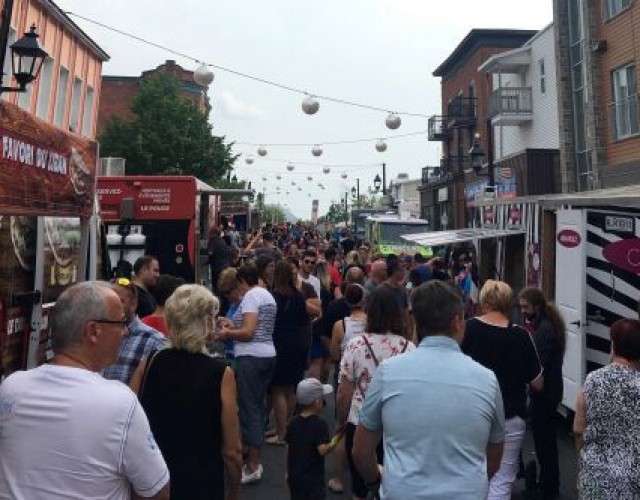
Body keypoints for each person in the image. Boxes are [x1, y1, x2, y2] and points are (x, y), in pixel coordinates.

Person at [0, 282, 170, 499]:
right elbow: (158, 492)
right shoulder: (120, 404)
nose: (126, 332)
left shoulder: (11, 388)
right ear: (93, 331)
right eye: (121, 323)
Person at [352, 281, 505, 499]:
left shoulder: (389, 372)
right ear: (457, 322)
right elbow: (495, 453)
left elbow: (361, 450)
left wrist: (375, 481)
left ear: (415, 321)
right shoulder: (487, 379)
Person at [130, 284, 242, 500]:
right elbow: (232, 450)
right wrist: (234, 491)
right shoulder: (221, 374)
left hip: (154, 478)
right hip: (200, 481)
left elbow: (128, 418)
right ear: (205, 323)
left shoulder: (150, 361)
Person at [462, 280, 543, 500]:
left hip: (470, 413)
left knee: (469, 473)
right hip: (510, 413)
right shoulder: (521, 335)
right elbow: (537, 382)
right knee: (502, 479)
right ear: (509, 303)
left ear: (483, 300)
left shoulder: (466, 329)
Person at [336, 286, 415, 500]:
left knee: (360, 488)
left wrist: (341, 420)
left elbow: (344, 392)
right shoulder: (408, 347)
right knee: (392, 484)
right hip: (395, 425)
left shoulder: (355, 345)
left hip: (359, 421)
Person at [216, 264, 277, 484]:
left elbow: (249, 332)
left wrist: (227, 334)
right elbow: (258, 328)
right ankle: (253, 458)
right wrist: (233, 325)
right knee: (257, 407)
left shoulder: (251, 296)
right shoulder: (266, 295)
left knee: (249, 408)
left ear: (242, 281)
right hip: (267, 354)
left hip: (251, 357)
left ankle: (252, 464)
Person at [573, 318, 640, 499]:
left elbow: (579, 430)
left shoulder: (592, 379)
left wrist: (585, 461)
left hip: (594, 477)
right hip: (632, 482)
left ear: (614, 345)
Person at [518, 287, 567, 498]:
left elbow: (537, 364)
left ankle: (548, 488)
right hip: (551, 391)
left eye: (525, 307)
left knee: (544, 442)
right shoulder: (546, 326)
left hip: (546, 393)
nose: (523, 311)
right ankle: (548, 485)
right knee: (545, 441)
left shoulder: (545, 330)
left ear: (536, 306)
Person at [268, 261, 312, 445]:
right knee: (291, 388)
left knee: (278, 389)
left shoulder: (273, 297)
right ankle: (286, 426)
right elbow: (305, 322)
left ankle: (281, 432)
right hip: (296, 343)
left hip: (278, 343)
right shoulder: (299, 297)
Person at [102, 277, 166, 384]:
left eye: (120, 301)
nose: (111, 306)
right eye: (108, 301)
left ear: (134, 304)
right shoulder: (100, 336)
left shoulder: (154, 340)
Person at [285, 378, 339, 500]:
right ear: (317, 401)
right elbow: (322, 450)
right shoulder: (319, 424)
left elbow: (287, 447)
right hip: (313, 479)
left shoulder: (293, 423)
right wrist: (335, 441)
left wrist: (287, 471)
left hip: (295, 476)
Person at [208, 227, 231, 295]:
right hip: (225, 266)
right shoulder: (222, 240)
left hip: (217, 267)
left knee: (216, 286)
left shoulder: (213, 241)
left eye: (210, 233)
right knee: (222, 285)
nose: (208, 235)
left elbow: (210, 253)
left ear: (213, 234)